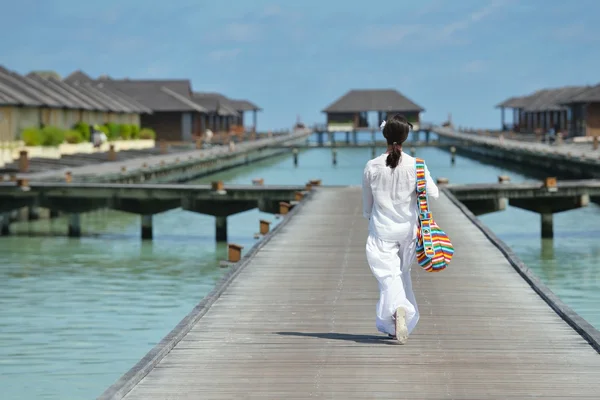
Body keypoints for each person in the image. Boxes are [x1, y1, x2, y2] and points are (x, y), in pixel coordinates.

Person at [361, 113, 439, 344]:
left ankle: (399, 308)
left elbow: (367, 207)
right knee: (401, 275)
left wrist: (371, 216)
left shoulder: (372, 166)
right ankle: (397, 321)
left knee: (388, 276)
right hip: (408, 231)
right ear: (406, 137)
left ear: (385, 135)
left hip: (382, 231)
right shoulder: (417, 165)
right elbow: (434, 193)